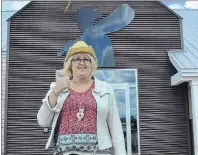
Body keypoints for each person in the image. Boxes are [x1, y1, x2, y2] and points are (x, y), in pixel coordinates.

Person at [37, 41, 126, 155]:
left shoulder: (105, 89)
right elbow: (43, 121)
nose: (82, 63)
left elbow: (116, 129)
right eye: (77, 59)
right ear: (71, 64)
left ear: (91, 64)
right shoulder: (58, 87)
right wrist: (54, 92)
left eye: (86, 59)